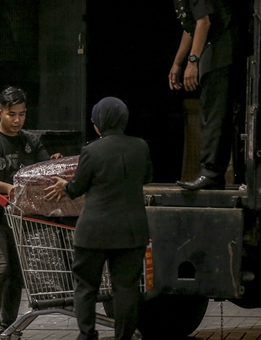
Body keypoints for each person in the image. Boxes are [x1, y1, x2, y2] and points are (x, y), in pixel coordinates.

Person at [45, 97, 153, 340]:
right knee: (125, 289)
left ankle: (87, 336)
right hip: (131, 230)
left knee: (85, 287)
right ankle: (123, 337)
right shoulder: (140, 147)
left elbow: (76, 188)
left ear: (99, 124)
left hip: (94, 231)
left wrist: (66, 185)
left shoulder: (91, 151)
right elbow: (146, 177)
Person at [137, 0, 237, 190]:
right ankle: (211, 173)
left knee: (214, 115)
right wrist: (177, 63)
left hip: (219, 50)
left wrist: (193, 61)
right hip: (210, 51)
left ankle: (212, 174)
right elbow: (190, 27)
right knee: (209, 114)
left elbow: (204, 21)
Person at [0, 86, 61, 340]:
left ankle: (8, 330)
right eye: (11, 114)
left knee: (16, 275)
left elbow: (44, 171)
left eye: (22, 114)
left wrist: (55, 164)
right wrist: (10, 188)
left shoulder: (30, 141)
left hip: (19, 219)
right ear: (0, 112)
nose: (17, 119)